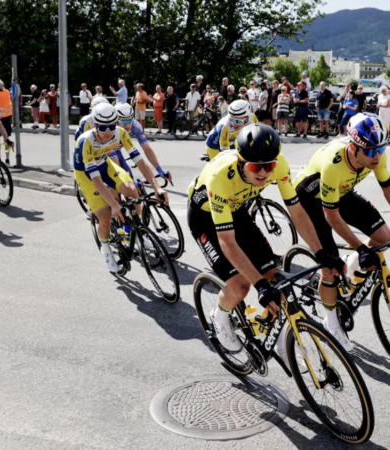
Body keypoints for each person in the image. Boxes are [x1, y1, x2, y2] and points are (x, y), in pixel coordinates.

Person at [188, 123, 343, 360]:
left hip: (236, 209)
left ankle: (281, 340)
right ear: (241, 162)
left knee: (274, 275)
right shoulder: (220, 176)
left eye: (269, 166)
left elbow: (297, 212)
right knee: (241, 286)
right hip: (204, 217)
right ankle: (219, 319)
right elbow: (227, 242)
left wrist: (320, 253)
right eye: (256, 167)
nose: (264, 173)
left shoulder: (278, 164)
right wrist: (259, 285)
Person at [294, 112, 390, 351]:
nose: (376, 156)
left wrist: (362, 249)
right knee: (331, 269)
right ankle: (331, 320)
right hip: (310, 201)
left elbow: (389, 190)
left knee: (384, 238)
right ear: (353, 146)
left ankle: (354, 261)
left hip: (342, 192)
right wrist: (360, 246)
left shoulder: (377, 154)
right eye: (369, 151)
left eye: (381, 148)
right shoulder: (333, 163)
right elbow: (331, 216)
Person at [73, 103, 168, 272]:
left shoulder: (120, 133)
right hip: (86, 174)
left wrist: (156, 187)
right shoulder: (85, 141)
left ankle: (138, 231)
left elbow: (140, 161)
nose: (108, 132)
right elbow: (96, 179)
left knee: (133, 190)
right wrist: (114, 204)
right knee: (105, 216)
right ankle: (106, 249)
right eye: (103, 127)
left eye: (111, 126)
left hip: (105, 163)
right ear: (95, 125)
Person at [113, 103, 171, 181]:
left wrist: (159, 169)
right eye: (123, 122)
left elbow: (147, 149)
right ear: (116, 121)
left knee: (129, 179)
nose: (127, 125)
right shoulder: (110, 128)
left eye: (130, 120)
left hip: (116, 151)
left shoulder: (136, 126)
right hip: (103, 152)